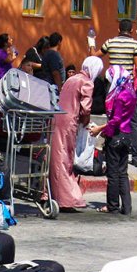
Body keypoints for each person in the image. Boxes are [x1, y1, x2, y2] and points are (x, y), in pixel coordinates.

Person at [48, 56, 96, 211]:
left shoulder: (72, 79)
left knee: (55, 156)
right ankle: (67, 198)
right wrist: (85, 121)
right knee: (65, 158)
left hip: (57, 118)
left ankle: (50, 193)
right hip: (70, 122)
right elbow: (86, 108)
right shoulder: (86, 82)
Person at [94, 64, 137, 216]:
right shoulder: (131, 93)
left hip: (116, 136)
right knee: (123, 172)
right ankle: (127, 207)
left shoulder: (119, 96)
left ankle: (112, 206)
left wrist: (101, 130)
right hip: (127, 135)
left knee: (113, 173)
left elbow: (116, 119)